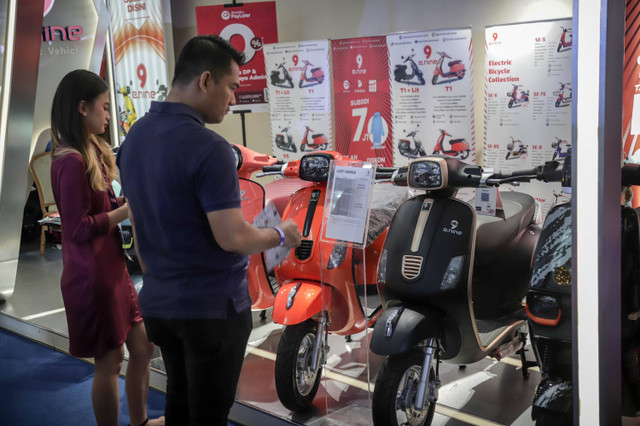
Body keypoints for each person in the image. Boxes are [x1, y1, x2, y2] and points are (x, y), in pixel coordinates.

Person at [116, 35, 302, 425]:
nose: (234, 99)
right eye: (232, 86)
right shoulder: (210, 148)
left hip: (160, 304)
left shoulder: (134, 138)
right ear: (205, 80)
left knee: (179, 405)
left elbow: (139, 221)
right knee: (208, 415)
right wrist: (281, 234)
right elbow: (232, 237)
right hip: (210, 311)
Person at [49, 69, 163, 426]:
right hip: (93, 276)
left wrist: (119, 207)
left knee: (143, 348)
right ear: (82, 108)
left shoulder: (91, 151)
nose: (109, 115)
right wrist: (124, 212)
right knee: (110, 362)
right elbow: (77, 228)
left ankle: (140, 421)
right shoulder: (71, 161)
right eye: (104, 107)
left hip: (113, 270)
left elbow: (98, 210)